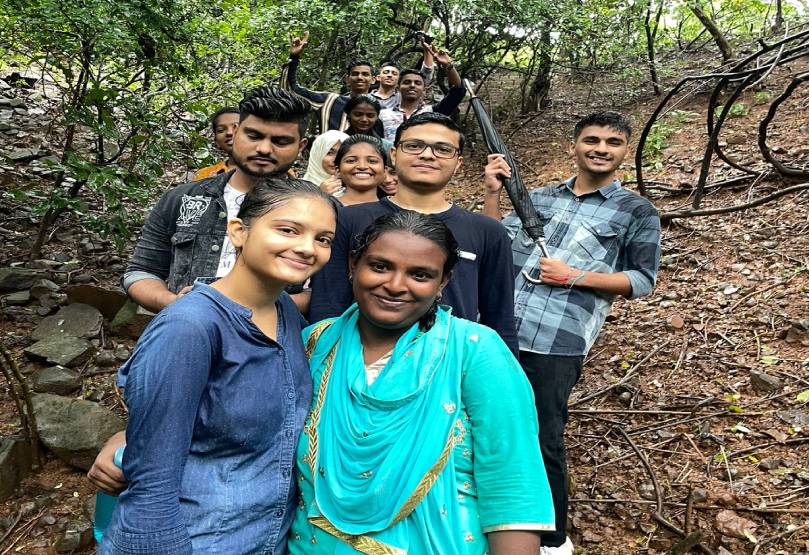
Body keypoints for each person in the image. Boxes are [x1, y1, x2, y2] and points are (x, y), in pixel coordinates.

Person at [288, 211, 555, 554]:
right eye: (380, 266)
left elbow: (512, 482)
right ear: (353, 265)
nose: (396, 285)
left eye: (420, 274)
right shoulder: (315, 344)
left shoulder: (475, 351)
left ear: (443, 282)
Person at [94, 179, 338, 554]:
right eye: (288, 230)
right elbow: (152, 482)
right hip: (195, 540)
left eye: (323, 239)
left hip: (264, 537)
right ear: (239, 231)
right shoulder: (189, 327)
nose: (308, 248)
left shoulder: (284, 311)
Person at [482, 111, 662, 554]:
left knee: (543, 435)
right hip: (499, 331)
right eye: (592, 140)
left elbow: (642, 280)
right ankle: (491, 523)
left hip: (558, 342)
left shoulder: (637, 211)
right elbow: (493, 245)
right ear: (574, 146)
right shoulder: (536, 197)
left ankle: (551, 539)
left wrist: (574, 276)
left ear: (624, 151)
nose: (601, 148)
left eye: (612, 142)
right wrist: (491, 194)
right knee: (485, 425)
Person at [308, 112, 519, 354]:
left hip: (450, 364)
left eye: (442, 149)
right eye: (414, 145)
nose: (427, 154)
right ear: (394, 154)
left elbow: (500, 318)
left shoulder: (487, 231)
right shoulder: (349, 218)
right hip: (357, 359)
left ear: (458, 162)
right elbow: (328, 302)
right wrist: (323, 361)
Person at [123, 85, 310, 313]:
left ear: (301, 146)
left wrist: (255, 307)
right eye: (253, 136)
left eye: (281, 141)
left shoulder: (318, 210)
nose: (263, 148)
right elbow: (141, 272)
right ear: (236, 133)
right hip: (188, 332)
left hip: (275, 340)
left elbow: (328, 292)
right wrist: (171, 302)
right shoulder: (183, 199)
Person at [282, 32, 382, 134]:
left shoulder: (380, 109)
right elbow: (290, 92)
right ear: (347, 79)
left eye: (365, 74)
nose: (360, 77)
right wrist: (294, 57)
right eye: (355, 74)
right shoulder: (329, 101)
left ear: (373, 80)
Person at [379, 44, 466, 142]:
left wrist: (448, 65)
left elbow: (459, 91)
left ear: (424, 89)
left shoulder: (432, 113)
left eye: (418, 83)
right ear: (398, 87)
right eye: (407, 82)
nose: (412, 85)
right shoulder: (383, 114)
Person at [371, 42, 435, 110]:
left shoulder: (405, 97)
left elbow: (426, 73)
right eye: (386, 72)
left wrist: (427, 49)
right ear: (378, 77)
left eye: (394, 74)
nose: (390, 75)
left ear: (399, 80)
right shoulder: (367, 97)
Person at [332, 134, 388, 207]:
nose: (362, 166)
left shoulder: (394, 211)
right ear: (338, 170)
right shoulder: (324, 208)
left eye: (372, 161)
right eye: (351, 161)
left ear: (384, 171)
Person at [193, 106, 239, 181]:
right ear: (216, 141)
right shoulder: (204, 175)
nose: (229, 133)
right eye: (221, 130)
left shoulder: (263, 170)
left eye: (236, 127)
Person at [302, 130, 348, 196]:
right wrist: (320, 195)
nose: (335, 160)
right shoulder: (300, 189)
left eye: (341, 153)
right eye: (329, 153)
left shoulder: (357, 186)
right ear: (317, 154)